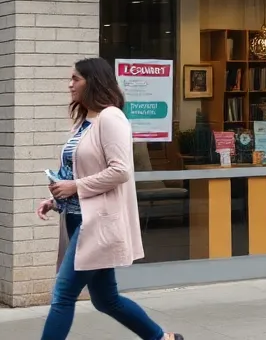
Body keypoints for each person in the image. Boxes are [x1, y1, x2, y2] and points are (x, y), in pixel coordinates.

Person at [35, 58, 183, 340]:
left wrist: (75, 186)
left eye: (75, 79)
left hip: (97, 224)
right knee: (106, 300)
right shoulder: (84, 123)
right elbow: (79, 171)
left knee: (63, 294)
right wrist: (56, 199)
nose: (70, 84)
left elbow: (121, 171)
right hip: (78, 218)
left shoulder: (111, 118)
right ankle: (161, 338)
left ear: (93, 82)